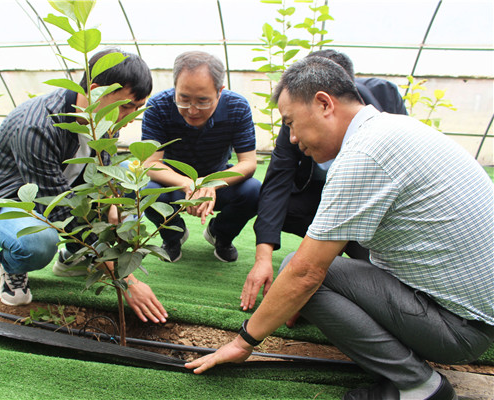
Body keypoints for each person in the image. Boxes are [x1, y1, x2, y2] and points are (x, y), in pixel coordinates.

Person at [186, 57, 494, 400]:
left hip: (461, 329)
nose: (292, 136)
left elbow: (306, 272)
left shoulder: (364, 154)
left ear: (323, 103)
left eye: (290, 122)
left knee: (298, 271)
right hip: (469, 314)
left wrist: (244, 342)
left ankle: (418, 385)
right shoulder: (389, 128)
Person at [0, 48, 168, 324]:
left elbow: (101, 171)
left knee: (127, 176)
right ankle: (12, 266)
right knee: (37, 241)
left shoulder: (104, 118)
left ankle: (72, 257)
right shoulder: (37, 126)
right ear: (96, 91)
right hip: (7, 201)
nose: (130, 117)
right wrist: (126, 279)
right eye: (126, 107)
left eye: (137, 107)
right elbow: (62, 211)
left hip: (61, 190)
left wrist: (112, 208)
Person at [241, 49, 408, 311]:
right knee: (277, 211)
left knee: (380, 273)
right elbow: (278, 180)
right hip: (315, 196)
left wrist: (310, 272)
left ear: (328, 101)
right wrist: (263, 257)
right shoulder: (297, 117)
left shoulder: (380, 109)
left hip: (365, 207)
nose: (293, 136)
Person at [141, 51, 261, 263]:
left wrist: (210, 184)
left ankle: (221, 235)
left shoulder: (237, 107)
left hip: (220, 179)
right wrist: (189, 184)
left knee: (253, 191)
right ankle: (173, 236)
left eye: (203, 101)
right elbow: (150, 163)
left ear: (220, 92)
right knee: (147, 193)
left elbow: (249, 163)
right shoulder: (158, 106)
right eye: (183, 99)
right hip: (174, 182)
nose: (192, 110)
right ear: (175, 88)